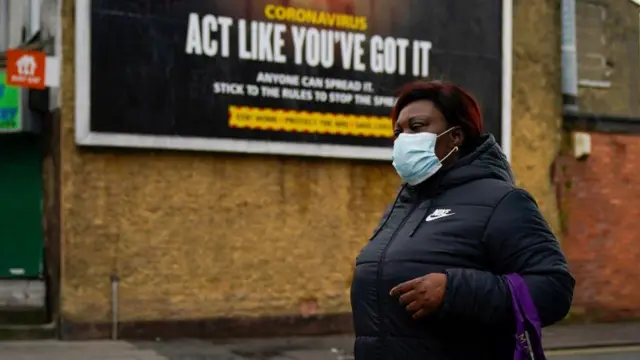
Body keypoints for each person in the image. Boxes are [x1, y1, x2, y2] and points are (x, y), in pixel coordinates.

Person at [350, 80, 575, 360]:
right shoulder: (402, 206)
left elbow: (554, 289)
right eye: (399, 132)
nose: (404, 139)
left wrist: (455, 290)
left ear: (455, 136)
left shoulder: (502, 201)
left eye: (417, 127)